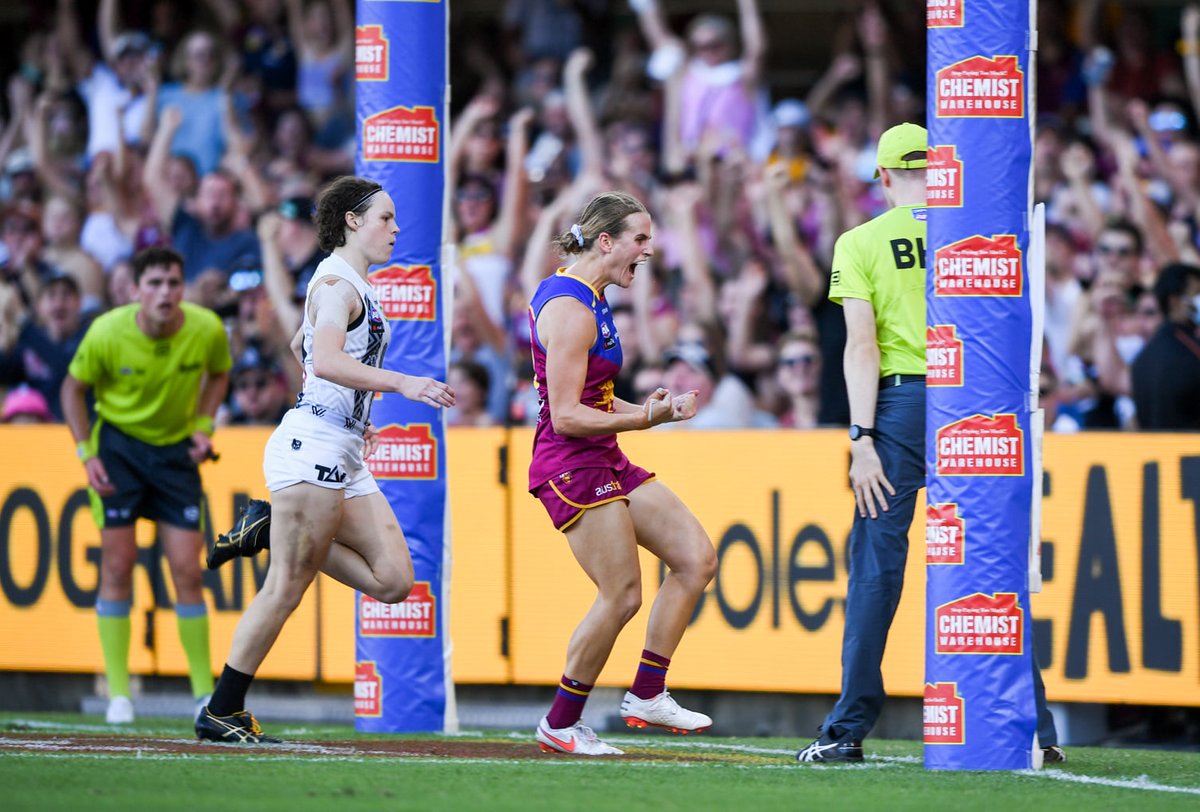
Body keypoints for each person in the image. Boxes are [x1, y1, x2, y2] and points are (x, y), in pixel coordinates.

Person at [795, 124, 1066, 765]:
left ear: (884, 176)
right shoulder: (974, 230)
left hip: (900, 406)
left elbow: (861, 346)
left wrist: (860, 436)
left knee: (876, 571)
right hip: (977, 398)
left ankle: (847, 729)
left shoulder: (860, 241)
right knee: (995, 565)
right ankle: (1035, 730)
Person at [194, 175, 455, 744]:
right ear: (353, 222)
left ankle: (266, 528)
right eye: (386, 217)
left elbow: (301, 348)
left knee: (394, 580)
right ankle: (221, 708)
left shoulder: (350, 283)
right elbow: (329, 358)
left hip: (335, 442)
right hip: (313, 448)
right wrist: (400, 384)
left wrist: (356, 418)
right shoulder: (339, 283)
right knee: (287, 585)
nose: (396, 228)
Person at [527, 191, 717, 756]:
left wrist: (643, 413)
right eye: (640, 238)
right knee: (622, 594)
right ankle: (560, 723)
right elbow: (564, 415)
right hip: (572, 462)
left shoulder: (589, 293)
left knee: (696, 559)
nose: (650, 249)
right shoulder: (571, 307)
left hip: (601, 454)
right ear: (606, 240)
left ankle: (647, 693)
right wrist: (645, 418)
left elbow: (588, 399)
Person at [60, 246, 232, 725]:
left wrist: (204, 425)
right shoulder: (107, 332)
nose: (165, 293)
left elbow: (219, 373)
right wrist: (86, 453)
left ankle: (203, 693)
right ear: (134, 290)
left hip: (176, 453)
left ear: (183, 288)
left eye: (173, 283)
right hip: (119, 450)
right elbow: (72, 389)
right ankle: (119, 693)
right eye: (154, 283)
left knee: (188, 571)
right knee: (117, 566)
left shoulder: (206, 328)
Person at [1130, 263, 1200, 429]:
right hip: (1189, 450)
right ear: (1175, 301)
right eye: (1197, 293)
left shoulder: (1142, 357)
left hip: (1154, 452)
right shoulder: (1190, 349)